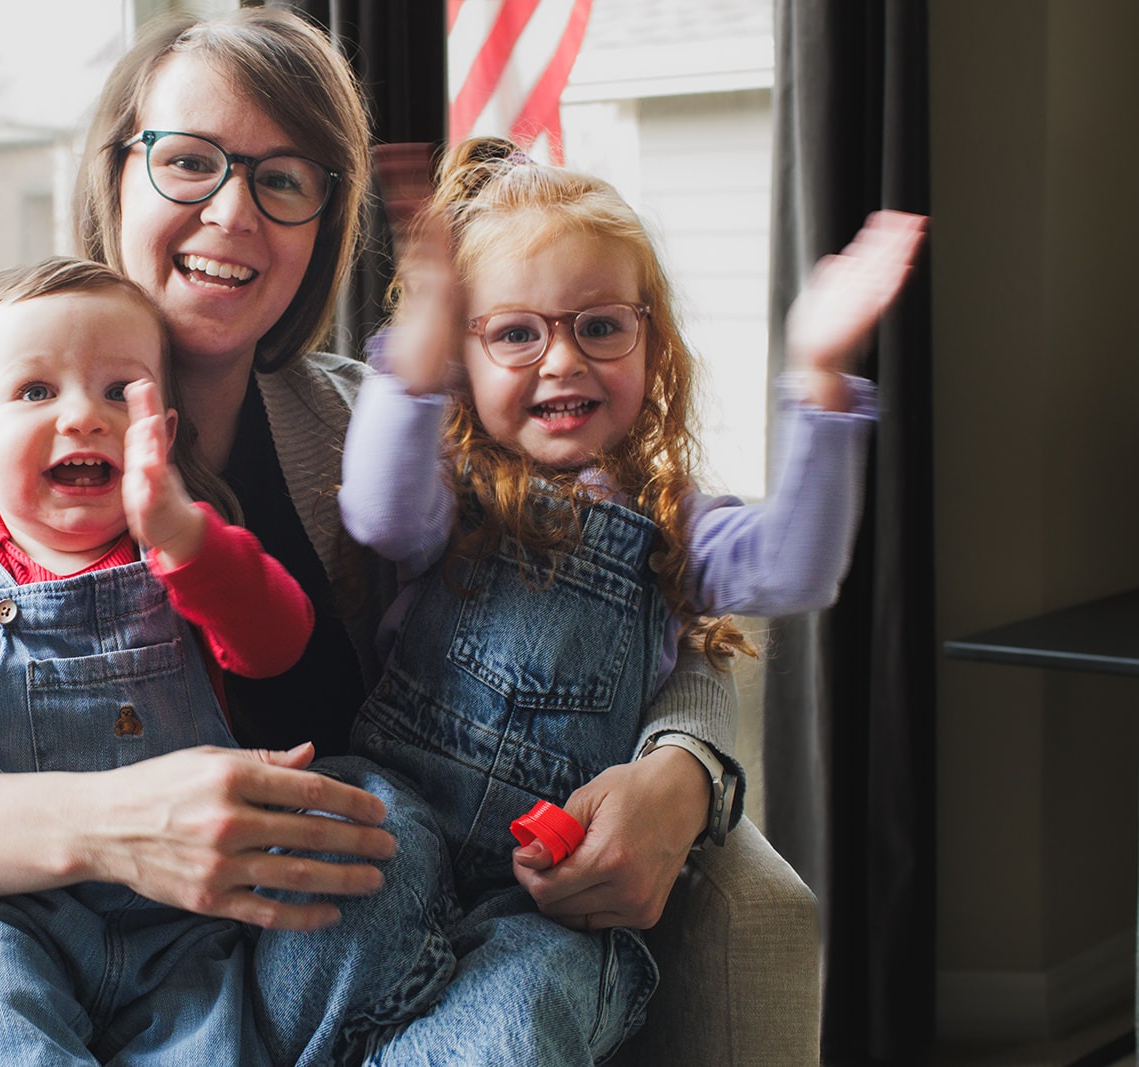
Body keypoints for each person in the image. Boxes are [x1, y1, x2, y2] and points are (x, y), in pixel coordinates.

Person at [0, 10, 744, 1066]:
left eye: (283, 178)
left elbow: (616, 577)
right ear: (115, 177)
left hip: (248, 991)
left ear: (322, 226)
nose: (233, 211)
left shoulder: (366, 432)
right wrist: (104, 822)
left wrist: (688, 772)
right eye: (189, 162)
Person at [254, 138, 925, 1064]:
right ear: (464, 361)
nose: (562, 359)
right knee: (340, 874)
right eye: (516, 333)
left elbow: (796, 567)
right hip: (400, 818)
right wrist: (417, 356)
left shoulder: (676, 521)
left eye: (599, 327)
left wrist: (818, 372)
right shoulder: (449, 497)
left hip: (551, 896)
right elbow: (373, 507)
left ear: (651, 345)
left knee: (522, 1015)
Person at [0, 257, 314, 1064]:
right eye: (36, 391)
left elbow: (277, 644)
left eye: (121, 391)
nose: (84, 416)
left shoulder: (187, 550)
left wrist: (186, 534)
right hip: (3, 911)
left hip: (181, 923)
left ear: (168, 432)